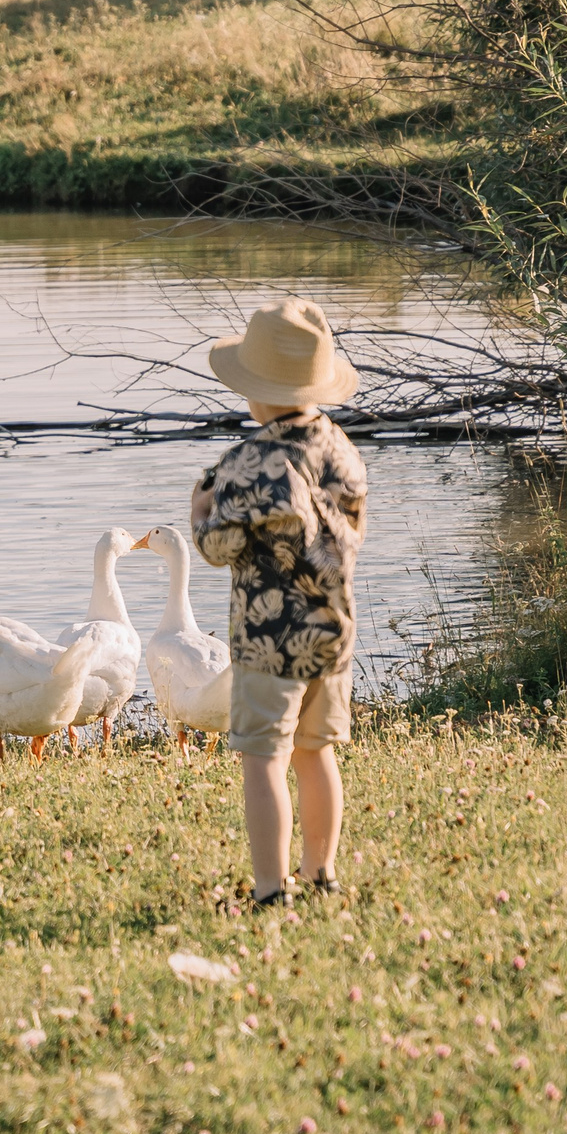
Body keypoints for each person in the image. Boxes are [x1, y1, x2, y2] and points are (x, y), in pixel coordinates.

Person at [189, 298, 369, 908]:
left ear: (255, 392)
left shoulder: (244, 464)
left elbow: (220, 547)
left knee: (265, 756)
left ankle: (270, 889)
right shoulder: (342, 449)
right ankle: (322, 872)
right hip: (333, 632)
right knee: (317, 753)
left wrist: (199, 514)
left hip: (270, 640)